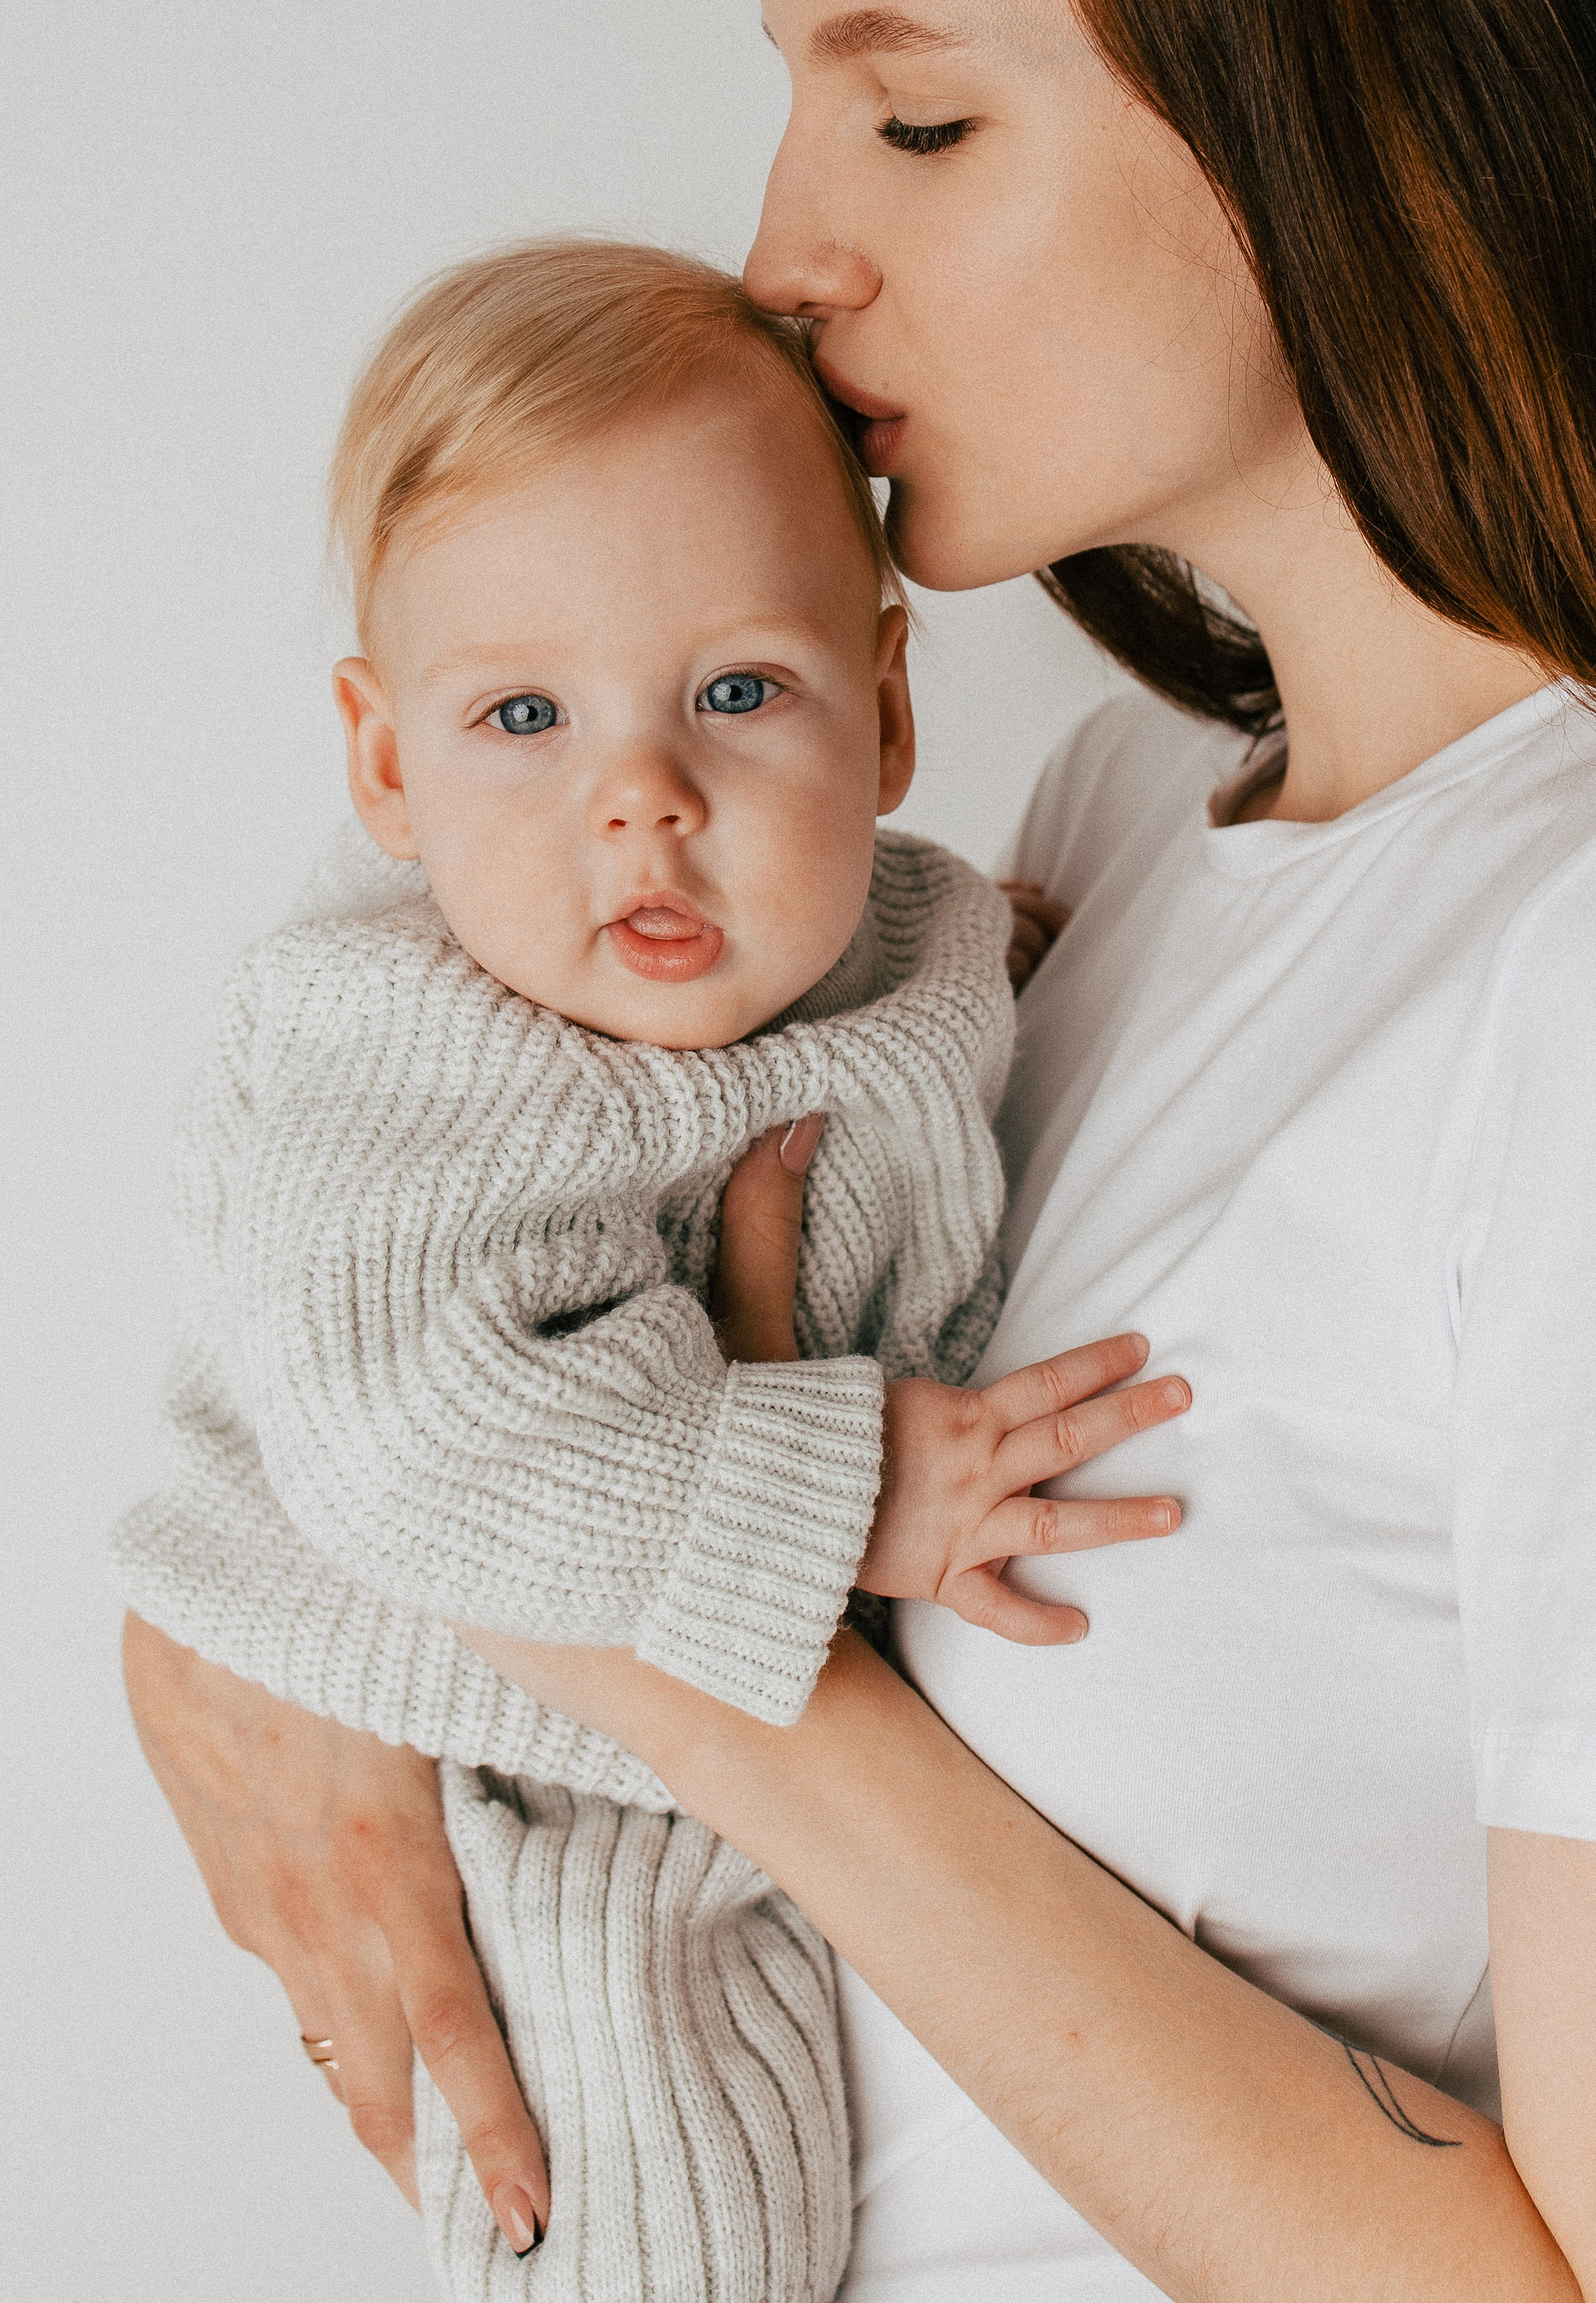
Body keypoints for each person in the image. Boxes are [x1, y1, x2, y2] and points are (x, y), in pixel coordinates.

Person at [124, 0, 1596, 2294]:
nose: (784, 251)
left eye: (921, 121)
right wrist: (212, 1625)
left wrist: (678, 1658)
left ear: (1341, 102)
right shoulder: (1075, 858)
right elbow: (433, 1239)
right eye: (794, 103)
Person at [113, 235, 1182, 2294]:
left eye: (737, 693)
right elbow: (411, 1441)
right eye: (523, 714)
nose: (643, 803)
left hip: (725, 1703)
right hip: (509, 1762)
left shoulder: (879, 924)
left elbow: (911, 975)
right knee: (667, 2184)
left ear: (884, 711)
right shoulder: (415, 1051)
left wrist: (1006, 965)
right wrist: (853, 1483)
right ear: (385, 764)